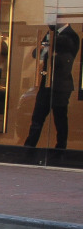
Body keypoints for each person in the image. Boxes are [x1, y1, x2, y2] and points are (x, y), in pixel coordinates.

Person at [24, 22, 79, 150]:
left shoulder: (70, 36)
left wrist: (49, 45)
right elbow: (38, 54)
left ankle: (61, 148)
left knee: (60, 119)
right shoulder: (52, 34)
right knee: (37, 117)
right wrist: (45, 47)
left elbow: (64, 56)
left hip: (60, 85)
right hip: (46, 82)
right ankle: (28, 147)